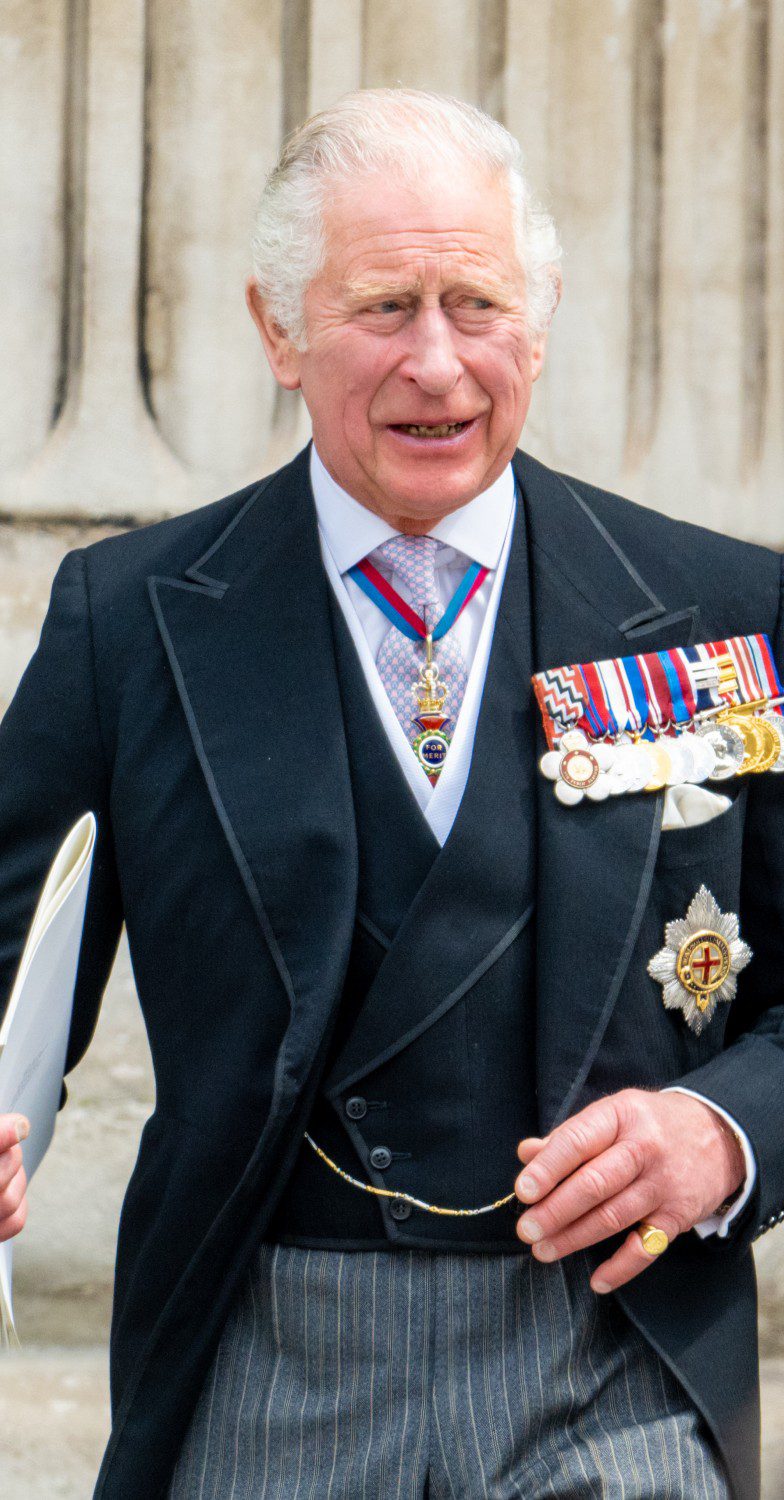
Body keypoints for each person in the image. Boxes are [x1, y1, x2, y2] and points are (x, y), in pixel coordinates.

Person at [0, 88, 781, 1500]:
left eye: (477, 304)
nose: (438, 362)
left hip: (612, 1361)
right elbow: (7, 965)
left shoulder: (723, 614)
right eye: (384, 307)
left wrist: (722, 1133)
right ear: (277, 331)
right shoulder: (132, 621)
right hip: (264, 1356)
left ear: (537, 326)